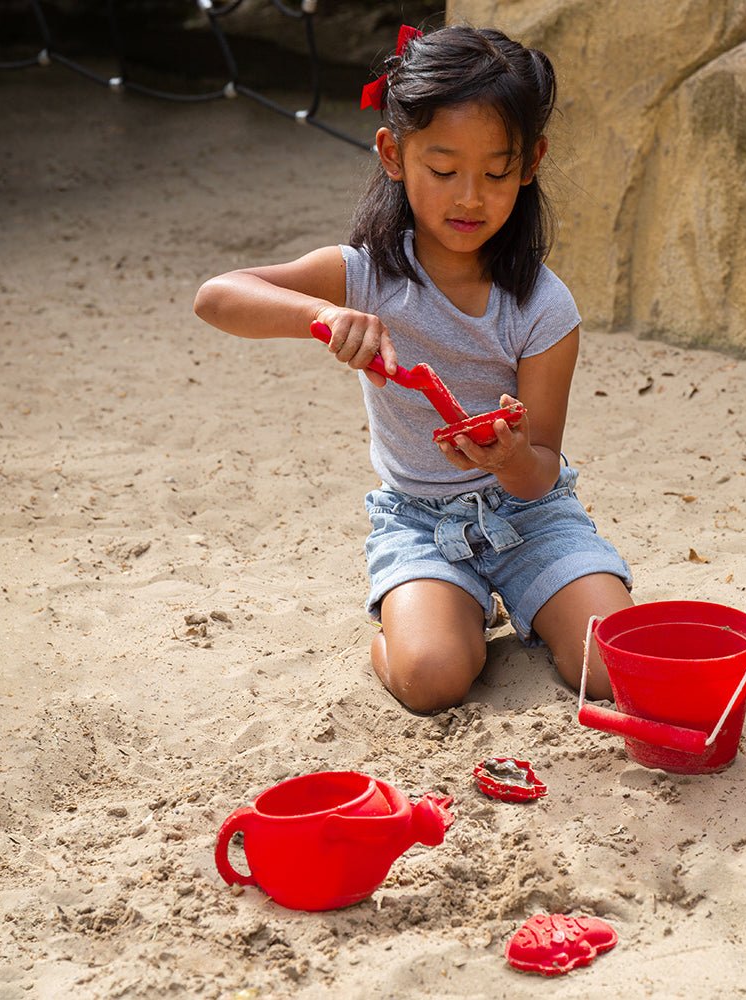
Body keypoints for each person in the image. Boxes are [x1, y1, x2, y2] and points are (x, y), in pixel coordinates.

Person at [194, 24, 633, 714]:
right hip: (418, 522)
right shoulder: (364, 276)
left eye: (495, 173)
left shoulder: (543, 307)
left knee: (613, 668)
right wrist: (324, 315)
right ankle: (423, 629)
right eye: (443, 170)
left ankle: (520, 605)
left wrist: (511, 458)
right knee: (432, 679)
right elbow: (216, 296)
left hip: (533, 516)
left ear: (530, 163)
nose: (470, 198)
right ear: (393, 155)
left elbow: (542, 469)